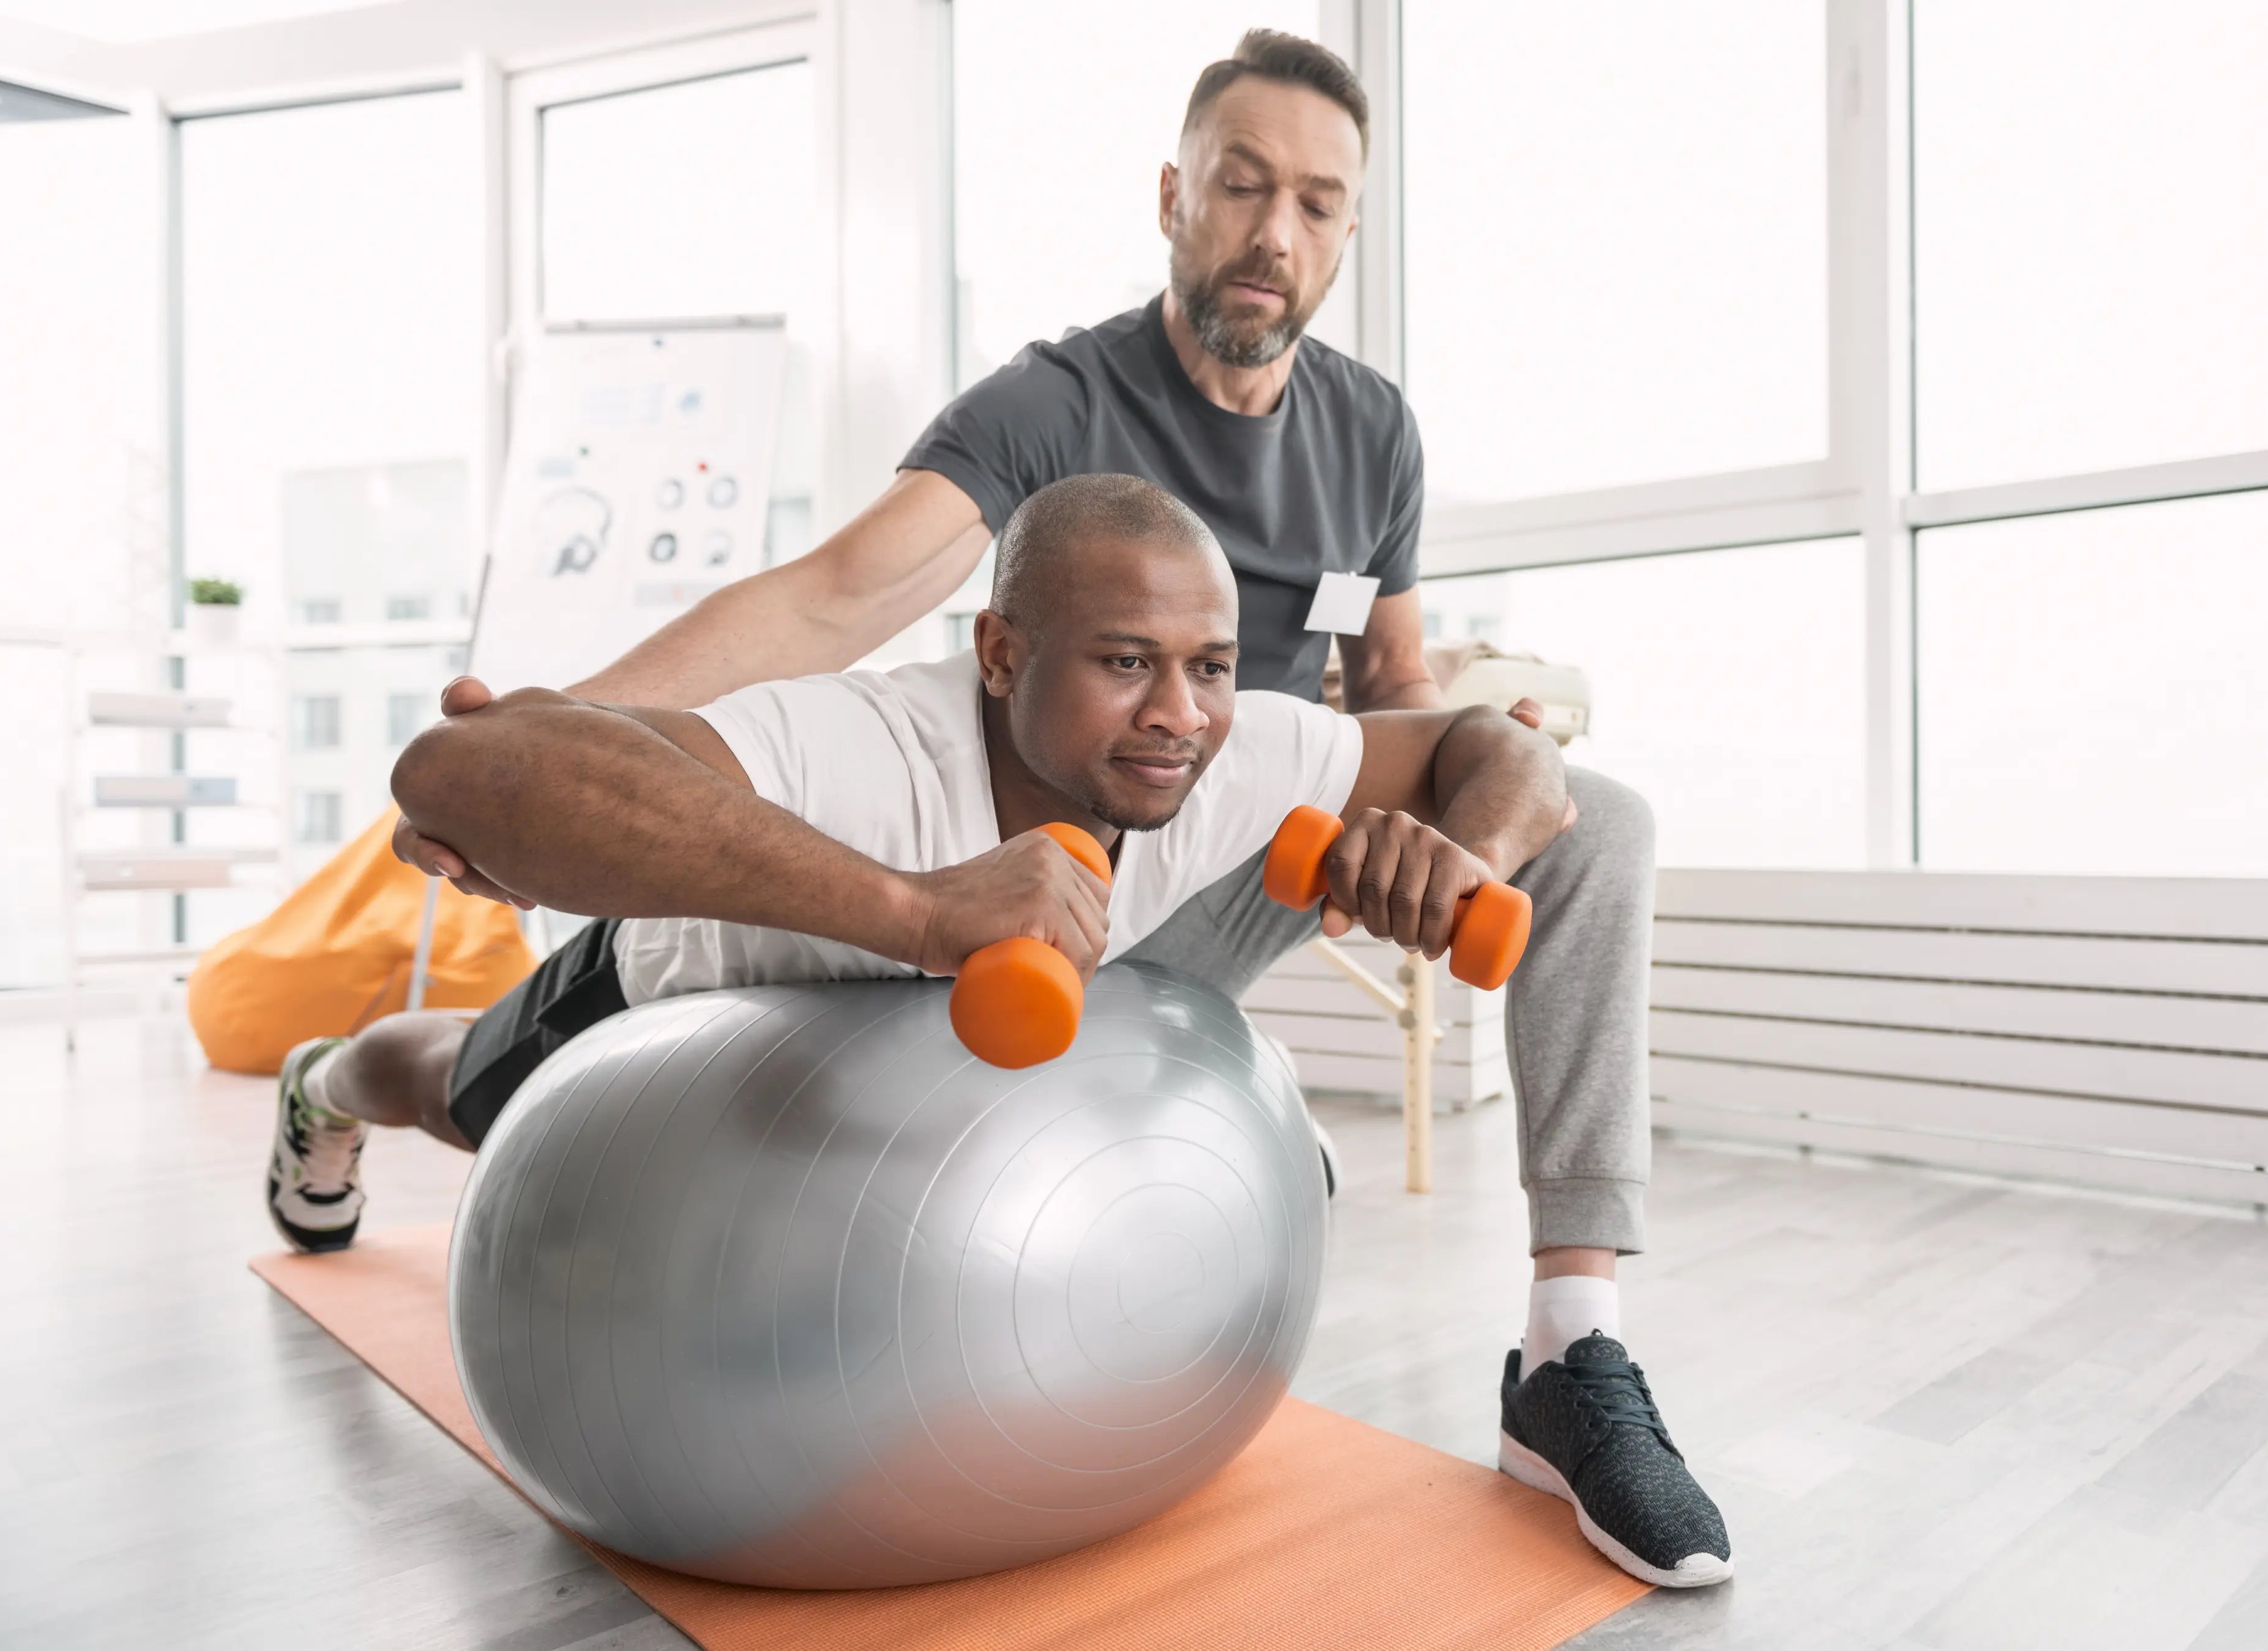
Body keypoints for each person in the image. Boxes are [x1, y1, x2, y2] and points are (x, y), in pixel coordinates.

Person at [379, 31, 1729, 1588]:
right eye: (1241, 184)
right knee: (477, 1086)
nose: (1273, 231)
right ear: (1175, 195)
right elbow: (839, 594)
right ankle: (353, 1081)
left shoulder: (1372, 433)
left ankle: (1571, 1349)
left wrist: (1431, 844)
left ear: (1347, 231)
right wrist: (568, 746)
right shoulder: (1053, 404)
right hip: (1004, 838)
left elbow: (1394, 676)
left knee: (1596, 824)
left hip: (1224, 835)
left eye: (1315, 201)